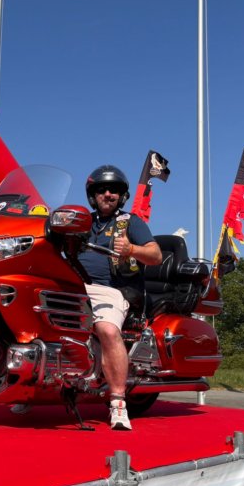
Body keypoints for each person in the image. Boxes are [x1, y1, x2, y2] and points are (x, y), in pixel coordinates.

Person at [77, 164, 162, 430]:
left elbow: (156, 255)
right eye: (102, 190)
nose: (108, 194)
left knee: (107, 329)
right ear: (93, 195)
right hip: (75, 287)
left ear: (122, 196)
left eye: (113, 190)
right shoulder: (82, 222)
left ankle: (117, 402)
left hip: (112, 290)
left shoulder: (130, 222)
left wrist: (131, 248)